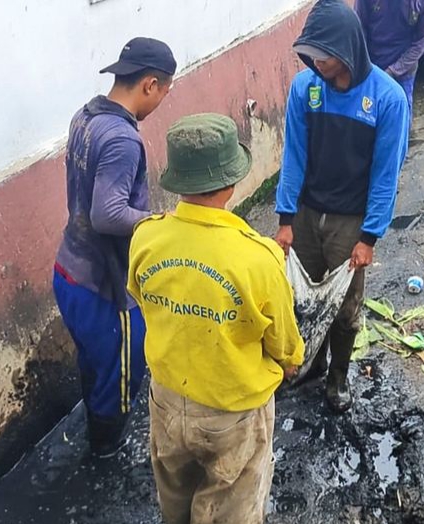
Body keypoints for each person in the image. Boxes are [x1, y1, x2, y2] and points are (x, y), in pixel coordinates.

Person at [129, 113, 304, 524]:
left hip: (167, 399)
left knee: (174, 499)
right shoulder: (257, 257)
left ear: (175, 180)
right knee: (234, 505)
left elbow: (141, 294)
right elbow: (283, 344)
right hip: (234, 412)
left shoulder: (145, 237)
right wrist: (291, 362)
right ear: (231, 183)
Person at [275, 0, 411, 413]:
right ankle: (312, 365)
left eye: (323, 55)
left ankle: (338, 378)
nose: (315, 63)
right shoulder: (306, 89)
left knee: (345, 308)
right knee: (304, 298)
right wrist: (285, 218)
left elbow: (386, 174)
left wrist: (369, 236)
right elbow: (294, 157)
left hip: (351, 220)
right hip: (307, 212)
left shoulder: (387, 100)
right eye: (310, 55)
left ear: (347, 50)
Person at [52, 37, 175, 458]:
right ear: (149, 84)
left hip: (69, 270)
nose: (161, 101)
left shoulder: (85, 117)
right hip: (105, 286)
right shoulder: (124, 139)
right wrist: (161, 223)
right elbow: (108, 214)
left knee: (94, 365)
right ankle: (105, 455)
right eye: (164, 92)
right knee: (122, 375)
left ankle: (95, 433)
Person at [355, 0, 424, 112]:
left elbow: (420, 43)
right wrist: (366, 65)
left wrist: (393, 71)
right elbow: (359, 28)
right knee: (364, 117)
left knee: (400, 120)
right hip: (370, 66)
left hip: (403, 72)